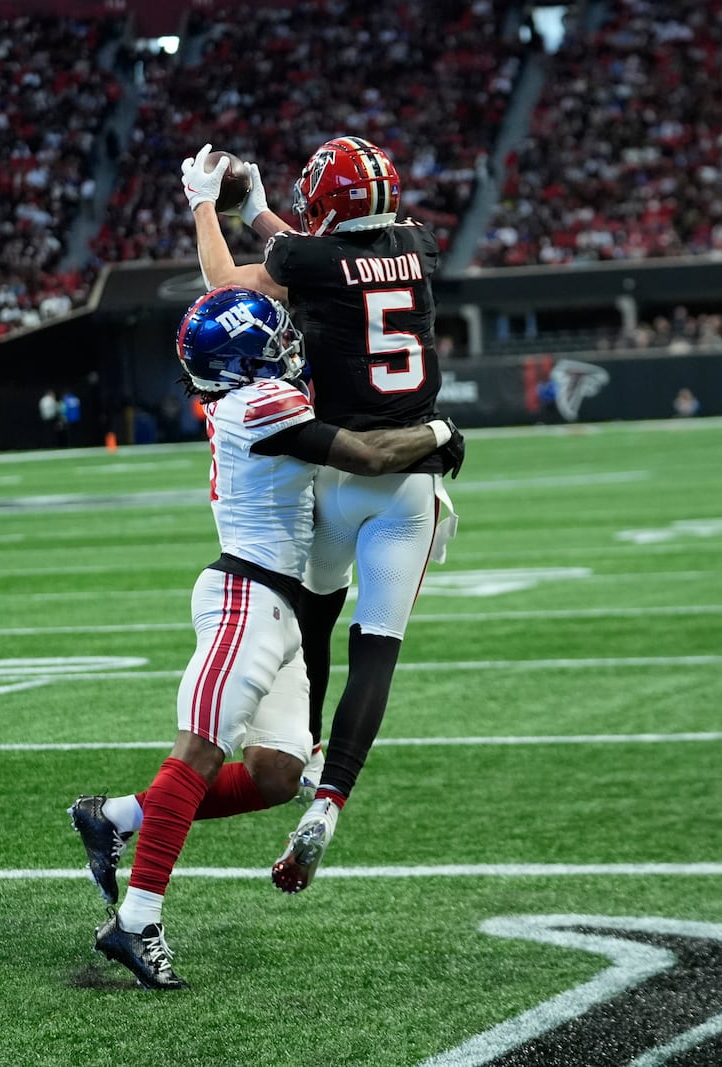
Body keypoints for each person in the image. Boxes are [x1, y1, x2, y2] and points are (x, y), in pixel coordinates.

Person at [68, 287, 462, 990]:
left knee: (278, 772)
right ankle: (136, 920)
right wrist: (437, 433)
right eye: (272, 341)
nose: (286, 347)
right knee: (197, 751)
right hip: (245, 599)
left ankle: (115, 817)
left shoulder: (249, 396)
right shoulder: (259, 403)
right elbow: (370, 455)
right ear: (245, 359)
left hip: (281, 608)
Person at [182, 137, 462, 893]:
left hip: (335, 468)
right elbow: (329, 257)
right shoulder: (420, 246)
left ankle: (298, 748)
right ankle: (329, 802)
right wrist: (265, 213)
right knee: (381, 648)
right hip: (411, 477)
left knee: (313, 621)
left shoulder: (312, 260)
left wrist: (205, 203)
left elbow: (228, 287)